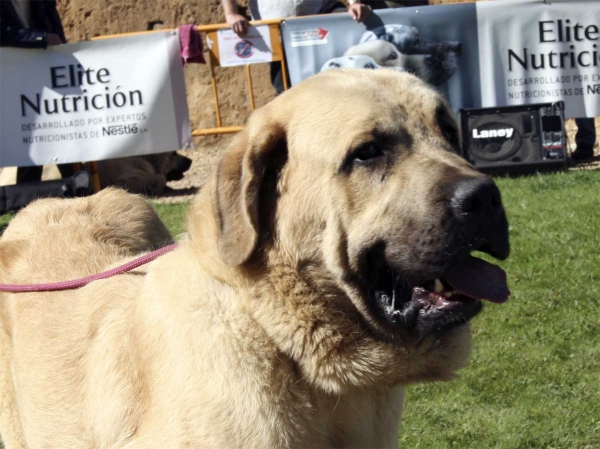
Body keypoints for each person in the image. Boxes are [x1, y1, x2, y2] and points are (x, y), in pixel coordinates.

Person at [221, 0, 372, 95]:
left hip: (319, 20)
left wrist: (353, 3)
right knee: (285, 90)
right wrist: (231, 13)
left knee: (335, 84)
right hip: (275, 27)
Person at [1, 0, 74, 183]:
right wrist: (39, 38)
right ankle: (26, 195)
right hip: (11, 78)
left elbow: (53, 23)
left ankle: (76, 186)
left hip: (45, 72)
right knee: (27, 136)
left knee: (56, 129)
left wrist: (63, 56)